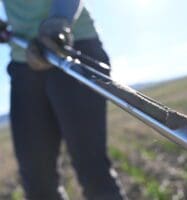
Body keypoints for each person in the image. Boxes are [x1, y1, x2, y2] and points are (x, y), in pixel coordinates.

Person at [0, 0, 125, 199]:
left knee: (93, 172)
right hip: (24, 60)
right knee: (38, 183)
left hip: (70, 45)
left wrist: (58, 22)